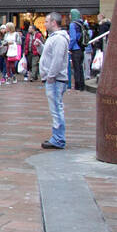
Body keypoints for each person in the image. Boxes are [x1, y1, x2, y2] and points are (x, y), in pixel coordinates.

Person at [39, 12, 70, 148]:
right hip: (54, 79)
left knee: (56, 109)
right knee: (56, 108)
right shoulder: (54, 38)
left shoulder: (58, 39)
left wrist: (51, 76)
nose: (44, 24)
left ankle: (58, 138)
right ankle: (57, 137)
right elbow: (49, 55)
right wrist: (40, 46)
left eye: (46, 21)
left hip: (55, 80)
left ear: (53, 23)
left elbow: (57, 59)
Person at [68, 9, 89, 93]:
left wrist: (69, 47)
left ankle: (77, 86)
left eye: (70, 14)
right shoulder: (82, 23)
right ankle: (82, 85)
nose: (69, 16)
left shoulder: (73, 24)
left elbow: (73, 38)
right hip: (81, 48)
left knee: (76, 68)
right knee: (80, 67)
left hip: (75, 49)